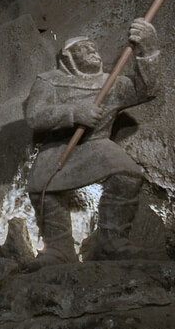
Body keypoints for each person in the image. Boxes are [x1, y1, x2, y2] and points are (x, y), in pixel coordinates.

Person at [23, 18, 160, 261]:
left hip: (97, 143)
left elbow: (146, 90)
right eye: (83, 48)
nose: (92, 50)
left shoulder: (112, 83)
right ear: (68, 58)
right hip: (60, 145)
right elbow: (35, 116)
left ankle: (112, 241)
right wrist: (75, 112)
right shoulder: (50, 80)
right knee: (41, 184)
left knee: (128, 173)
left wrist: (148, 50)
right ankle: (58, 247)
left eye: (94, 47)